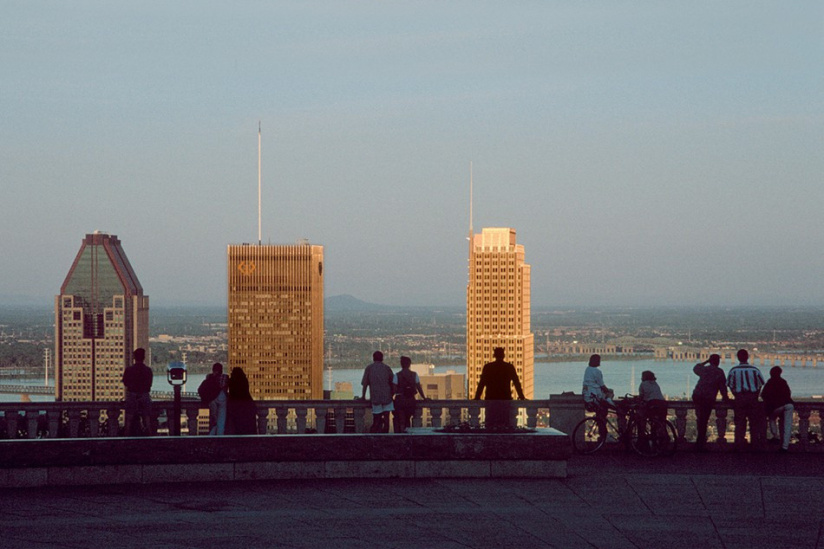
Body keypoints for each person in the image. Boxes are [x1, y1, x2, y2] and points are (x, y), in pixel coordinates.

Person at [473, 347, 525, 429]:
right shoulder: (509, 367)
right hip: (505, 399)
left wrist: (477, 397)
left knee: (490, 424)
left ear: (494, 355)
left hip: (491, 399)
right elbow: (516, 383)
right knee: (504, 424)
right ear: (503, 355)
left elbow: (481, 384)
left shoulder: (488, 367)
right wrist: (521, 397)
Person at [726, 349, 765, 450]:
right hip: (752, 398)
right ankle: (754, 445)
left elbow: (730, 385)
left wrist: (736, 394)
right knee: (754, 422)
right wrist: (756, 395)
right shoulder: (755, 370)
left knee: (739, 422)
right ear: (747, 357)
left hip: (739, 398)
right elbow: (760, 384)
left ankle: (739, 445)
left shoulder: (733, 370)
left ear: (738, 357)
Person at [692, 354, 730, 452]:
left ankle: (699, 442)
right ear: (718, 362)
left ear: (710, 361)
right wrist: (726, 398)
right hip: (708, 398)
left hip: (697, 395)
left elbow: (696, 368)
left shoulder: (704, 370)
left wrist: (706, 361)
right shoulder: (719, 372)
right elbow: (723, 388)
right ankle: (700, 444)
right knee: (703, 420)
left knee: (700, 419)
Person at [761, 366, 794, 452]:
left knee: (772, 418)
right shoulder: (783, 382)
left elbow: (763, 395)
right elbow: (788, 393)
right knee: (788, 425)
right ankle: (785, 446)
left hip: (778, 407)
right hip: (789, 405)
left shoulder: (769, 382)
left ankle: (775, 436)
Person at [360, 351, 394, 433]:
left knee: (376, 419)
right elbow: (393, 383)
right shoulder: (387, 368)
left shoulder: (369, 368)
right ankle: (385, 436)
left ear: (373, 358)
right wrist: (391, 395)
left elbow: (365, 384)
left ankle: (376, 436)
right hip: (387, 398)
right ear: (382, 358)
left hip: (375, 397)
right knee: (386, 419)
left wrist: (363, 396)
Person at [122, 347, 153, 436]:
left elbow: (125, 382)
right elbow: (149, 384)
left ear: (134, 357)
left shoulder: (129, 370)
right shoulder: (148, 370)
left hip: (132, 395)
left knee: (128, 419)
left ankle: (126, 438)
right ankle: (150, 437)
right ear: (144, 357)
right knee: (147, 418)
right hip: (144, 395)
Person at [393, 356, 427, 433]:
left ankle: (402, 434)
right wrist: (424, 398)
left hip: (400, 400)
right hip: (410, 400)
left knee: (401, 419)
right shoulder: (414, 375)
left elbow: (394, 390)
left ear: (401, 364)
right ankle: (408, 434)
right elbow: (418, 387)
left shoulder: (397, 375)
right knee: (408, 418)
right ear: (409, 364)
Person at [582, 354, 614, 421]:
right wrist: (608, 391)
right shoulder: (597, 371)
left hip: (587, 396)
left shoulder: (587, 369)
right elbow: (602, 385)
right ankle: (609, 401)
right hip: (595, 397)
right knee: (611, 391)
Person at [227, 367, 257, 435]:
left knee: (238, 427)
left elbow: (232, 393)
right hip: (247, 405)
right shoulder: (244, 380)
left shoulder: (232, 381)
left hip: (237, 407)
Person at [206, 362, 229, 435]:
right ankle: (220, 436)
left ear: (213, 369)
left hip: (212, 399)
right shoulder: (225, 376)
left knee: (213, 419)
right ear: (221, 370)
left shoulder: (209, 376)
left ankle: (211, 435)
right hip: (222, 398)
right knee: (221, 419)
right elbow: (225, 388)